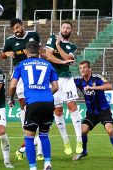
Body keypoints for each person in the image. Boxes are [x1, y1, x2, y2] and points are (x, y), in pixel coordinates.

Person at [9, 41, 71, 170]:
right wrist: (46, 94)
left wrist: (11, 98)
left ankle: (33, 167)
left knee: (29, 137)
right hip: (48, 102)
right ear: (39, 52)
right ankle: (47, 164)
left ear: (26, 52)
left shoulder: (21, 65)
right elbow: (56, 87)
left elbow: (13, 85)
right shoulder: (48, 65)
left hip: (32, 103)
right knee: (44, 135)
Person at [0, 18, 42, 160]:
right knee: (24, 104)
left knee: (37, 102)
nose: (16, 30)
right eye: (14, 29)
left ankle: (30, 142)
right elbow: (2, 54)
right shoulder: (10, 41)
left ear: (22, 26)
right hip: (20, 72)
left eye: (18, 27)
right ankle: (28, 131)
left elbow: (40, 50)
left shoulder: (33, 35)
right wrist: (6, 54)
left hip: (35, 70)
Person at [71, 60, 113, 162]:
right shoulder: (79, 81)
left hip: (104, 110)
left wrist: (93, 88)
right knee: (82, 131)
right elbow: (67, 82)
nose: (82, 70)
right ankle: (84, 151)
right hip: (91, 113)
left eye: (84, 68)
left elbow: (109, 86)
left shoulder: (97, 78)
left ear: (89, 69)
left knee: (110, 130)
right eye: (80, 68)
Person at [44, 21, 82, 155]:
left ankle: (79, 139)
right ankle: (65, 141)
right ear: (60, 29)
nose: (66, 29)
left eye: (68, 28)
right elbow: (48, 55)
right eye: (64, 27)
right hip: (53, 80)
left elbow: (69, 59)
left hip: (67, 79)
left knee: (72, 106)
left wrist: (58, 46)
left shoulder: (71, 45)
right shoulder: (52, 38)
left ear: (71, 31)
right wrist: (62, 61)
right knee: (58, 111)